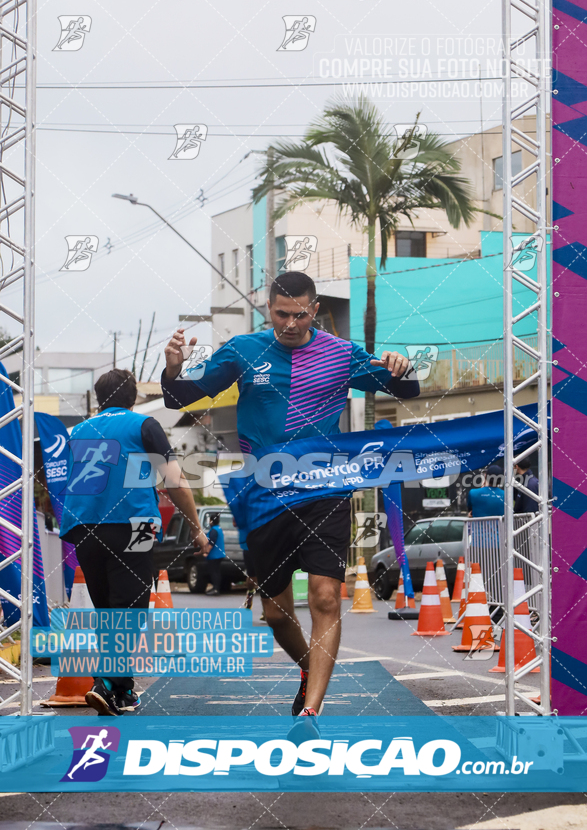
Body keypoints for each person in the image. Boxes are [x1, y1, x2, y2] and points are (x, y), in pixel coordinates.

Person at [162, 271, 419, 729]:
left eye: (300, 315)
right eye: (281, 314)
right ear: (268, 309)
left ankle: (310, 711)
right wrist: (173, 368)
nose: (290, 324)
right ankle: (307, 664)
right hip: (264, 495)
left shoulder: (341, 354)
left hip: (326, 490)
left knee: (324, 597)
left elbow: (405, 391)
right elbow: (181, 397)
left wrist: (403, 366)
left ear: (314, 310)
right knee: (277, 614)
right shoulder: (243, 350)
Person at [60, 368, 209, 717]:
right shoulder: (143, 426)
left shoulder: (78, 431)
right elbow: (175, 480)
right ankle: (107, 683)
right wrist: (196, 527)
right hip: (136, 525)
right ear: (135, 397)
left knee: (109, 610)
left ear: (99, 398)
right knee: (130, 609)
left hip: (85, 527)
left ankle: (120, 691)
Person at [206, 511, 225, 596]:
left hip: (214, 555)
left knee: (214, 572)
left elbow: (211, 543)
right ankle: (216, 588)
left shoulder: (214, 530)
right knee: (217, 571)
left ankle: (216, 588)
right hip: (220, 554)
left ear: (211, 521)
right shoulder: (219, 529)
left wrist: (206, 552)